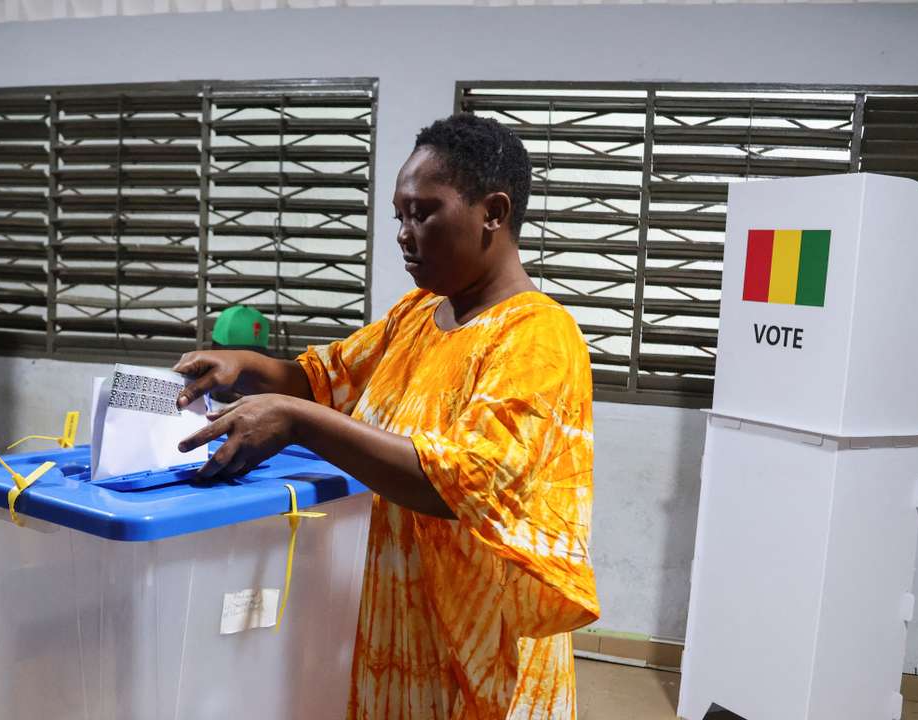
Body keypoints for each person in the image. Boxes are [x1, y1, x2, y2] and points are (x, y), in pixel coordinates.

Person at [174, 113, 599, 719]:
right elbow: (324, 379)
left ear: (494, 213)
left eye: (423, 212)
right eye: (399, 214)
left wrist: (293, 418)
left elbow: (458, 485)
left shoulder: (536, 339)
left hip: (479, 652)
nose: (404, 233)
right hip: (400, 627)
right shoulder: (420, 315)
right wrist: (241, 365)